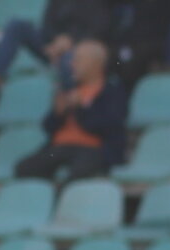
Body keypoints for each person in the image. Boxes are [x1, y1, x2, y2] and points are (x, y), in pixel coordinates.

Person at [12, 39, 127, 181]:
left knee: (77, 175)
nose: (72, 64)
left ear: (95, 63)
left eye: (78, 60)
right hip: (60, 147)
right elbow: (48, 127)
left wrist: (83, 107)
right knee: (25, 168)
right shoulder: (69, 90)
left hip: (93, 148)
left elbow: (110, 126)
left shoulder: (111, 91)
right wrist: (57, 113)